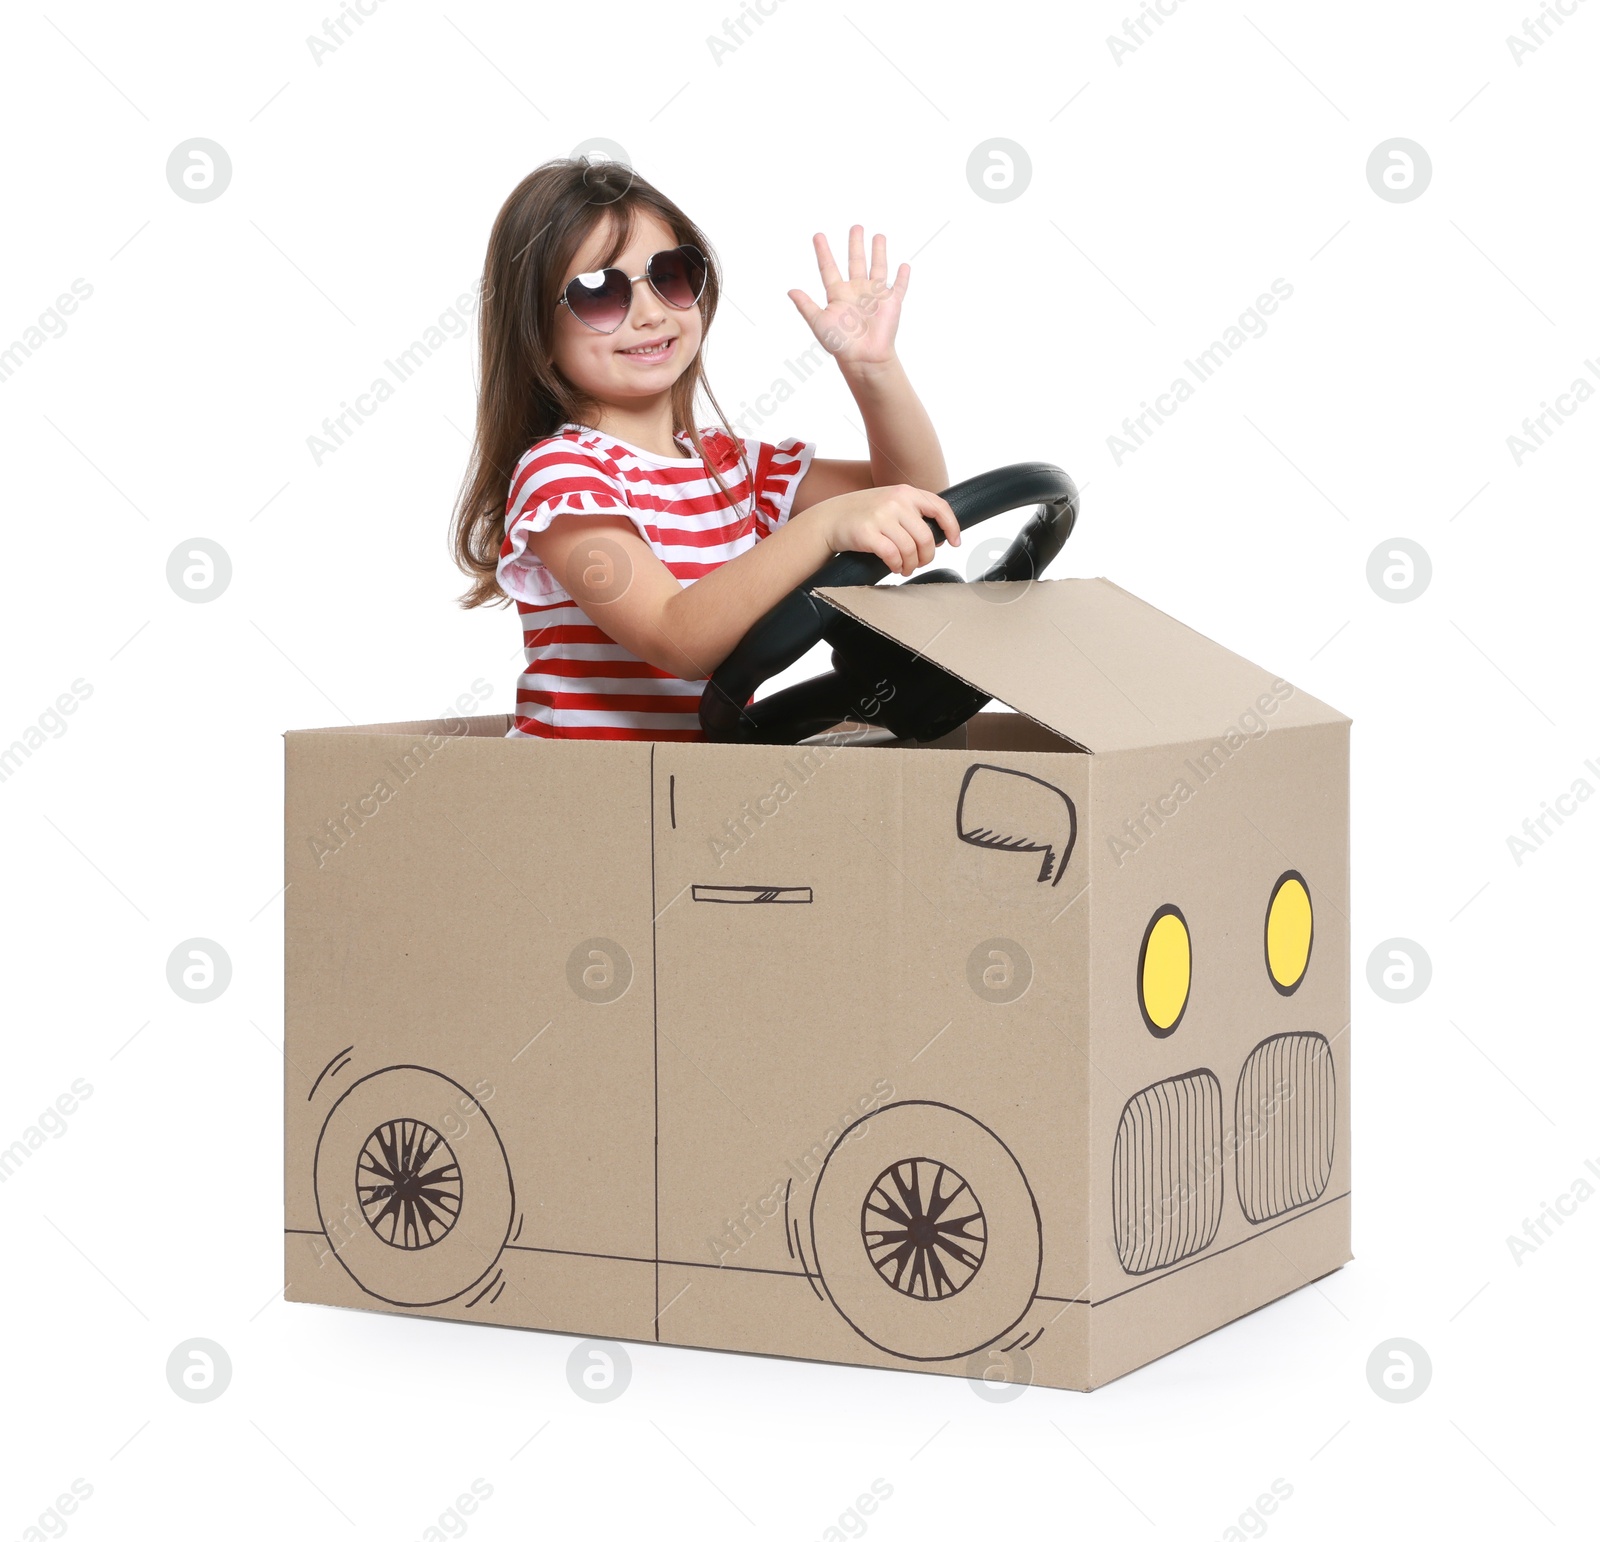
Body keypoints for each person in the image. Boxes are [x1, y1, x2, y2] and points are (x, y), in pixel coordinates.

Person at [450, 158, 959, 741]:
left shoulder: (734, 468)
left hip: (691, 797)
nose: (649, 313)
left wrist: (873, 370)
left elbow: (919, 498)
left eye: (668, 275)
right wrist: (823, 527)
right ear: (536, 331)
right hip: (581, 803)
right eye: (598, 294)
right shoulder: (562, 475)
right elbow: (675, 638)